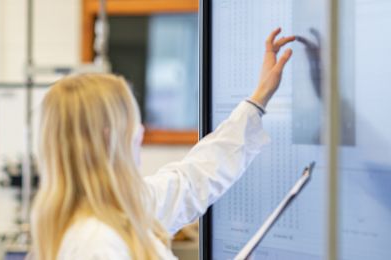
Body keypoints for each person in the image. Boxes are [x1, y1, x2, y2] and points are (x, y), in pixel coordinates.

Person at [30, 28, 295, 259]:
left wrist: (258, 99)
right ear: (110, 138)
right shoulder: (96, 244)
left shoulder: (120, 207)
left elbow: (192, 180)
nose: (141, 132)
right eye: (133, 123)